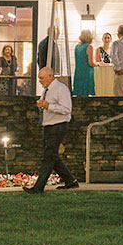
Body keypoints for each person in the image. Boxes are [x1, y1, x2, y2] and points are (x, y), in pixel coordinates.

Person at [26, 59, 80, 191]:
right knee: (52, 155)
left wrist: (48, 106)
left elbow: (67, 109)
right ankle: (70, 180)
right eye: (39, 78)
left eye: (42, 78)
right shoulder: (47, 89)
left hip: (58, 125)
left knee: (48, 156)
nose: (40, 81)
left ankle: (38, 187)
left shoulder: (61, 89)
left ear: (51, 76)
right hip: (49, 125)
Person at [72, 29, 96, 97]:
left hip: (78, 73)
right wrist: (97, 64)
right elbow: (90, 63)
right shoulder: (89, 47)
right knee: (86, 94)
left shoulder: (77, 47)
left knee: (79, 93)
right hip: (86, 73)